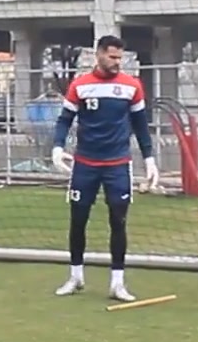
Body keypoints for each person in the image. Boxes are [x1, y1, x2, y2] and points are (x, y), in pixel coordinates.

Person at [50, 35, 159, 302]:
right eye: (112, 57)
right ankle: (76, 277)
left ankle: (117, 283)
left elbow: (140, 125)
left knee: (118, 222)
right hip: (84, 164)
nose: (116, 62)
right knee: (78, 221)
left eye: (120, 58)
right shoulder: (80, 85)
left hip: (118, 165)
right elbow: (65, 120)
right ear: (99, 55)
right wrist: (56, 147)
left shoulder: (132, 86)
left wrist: (150, 159)